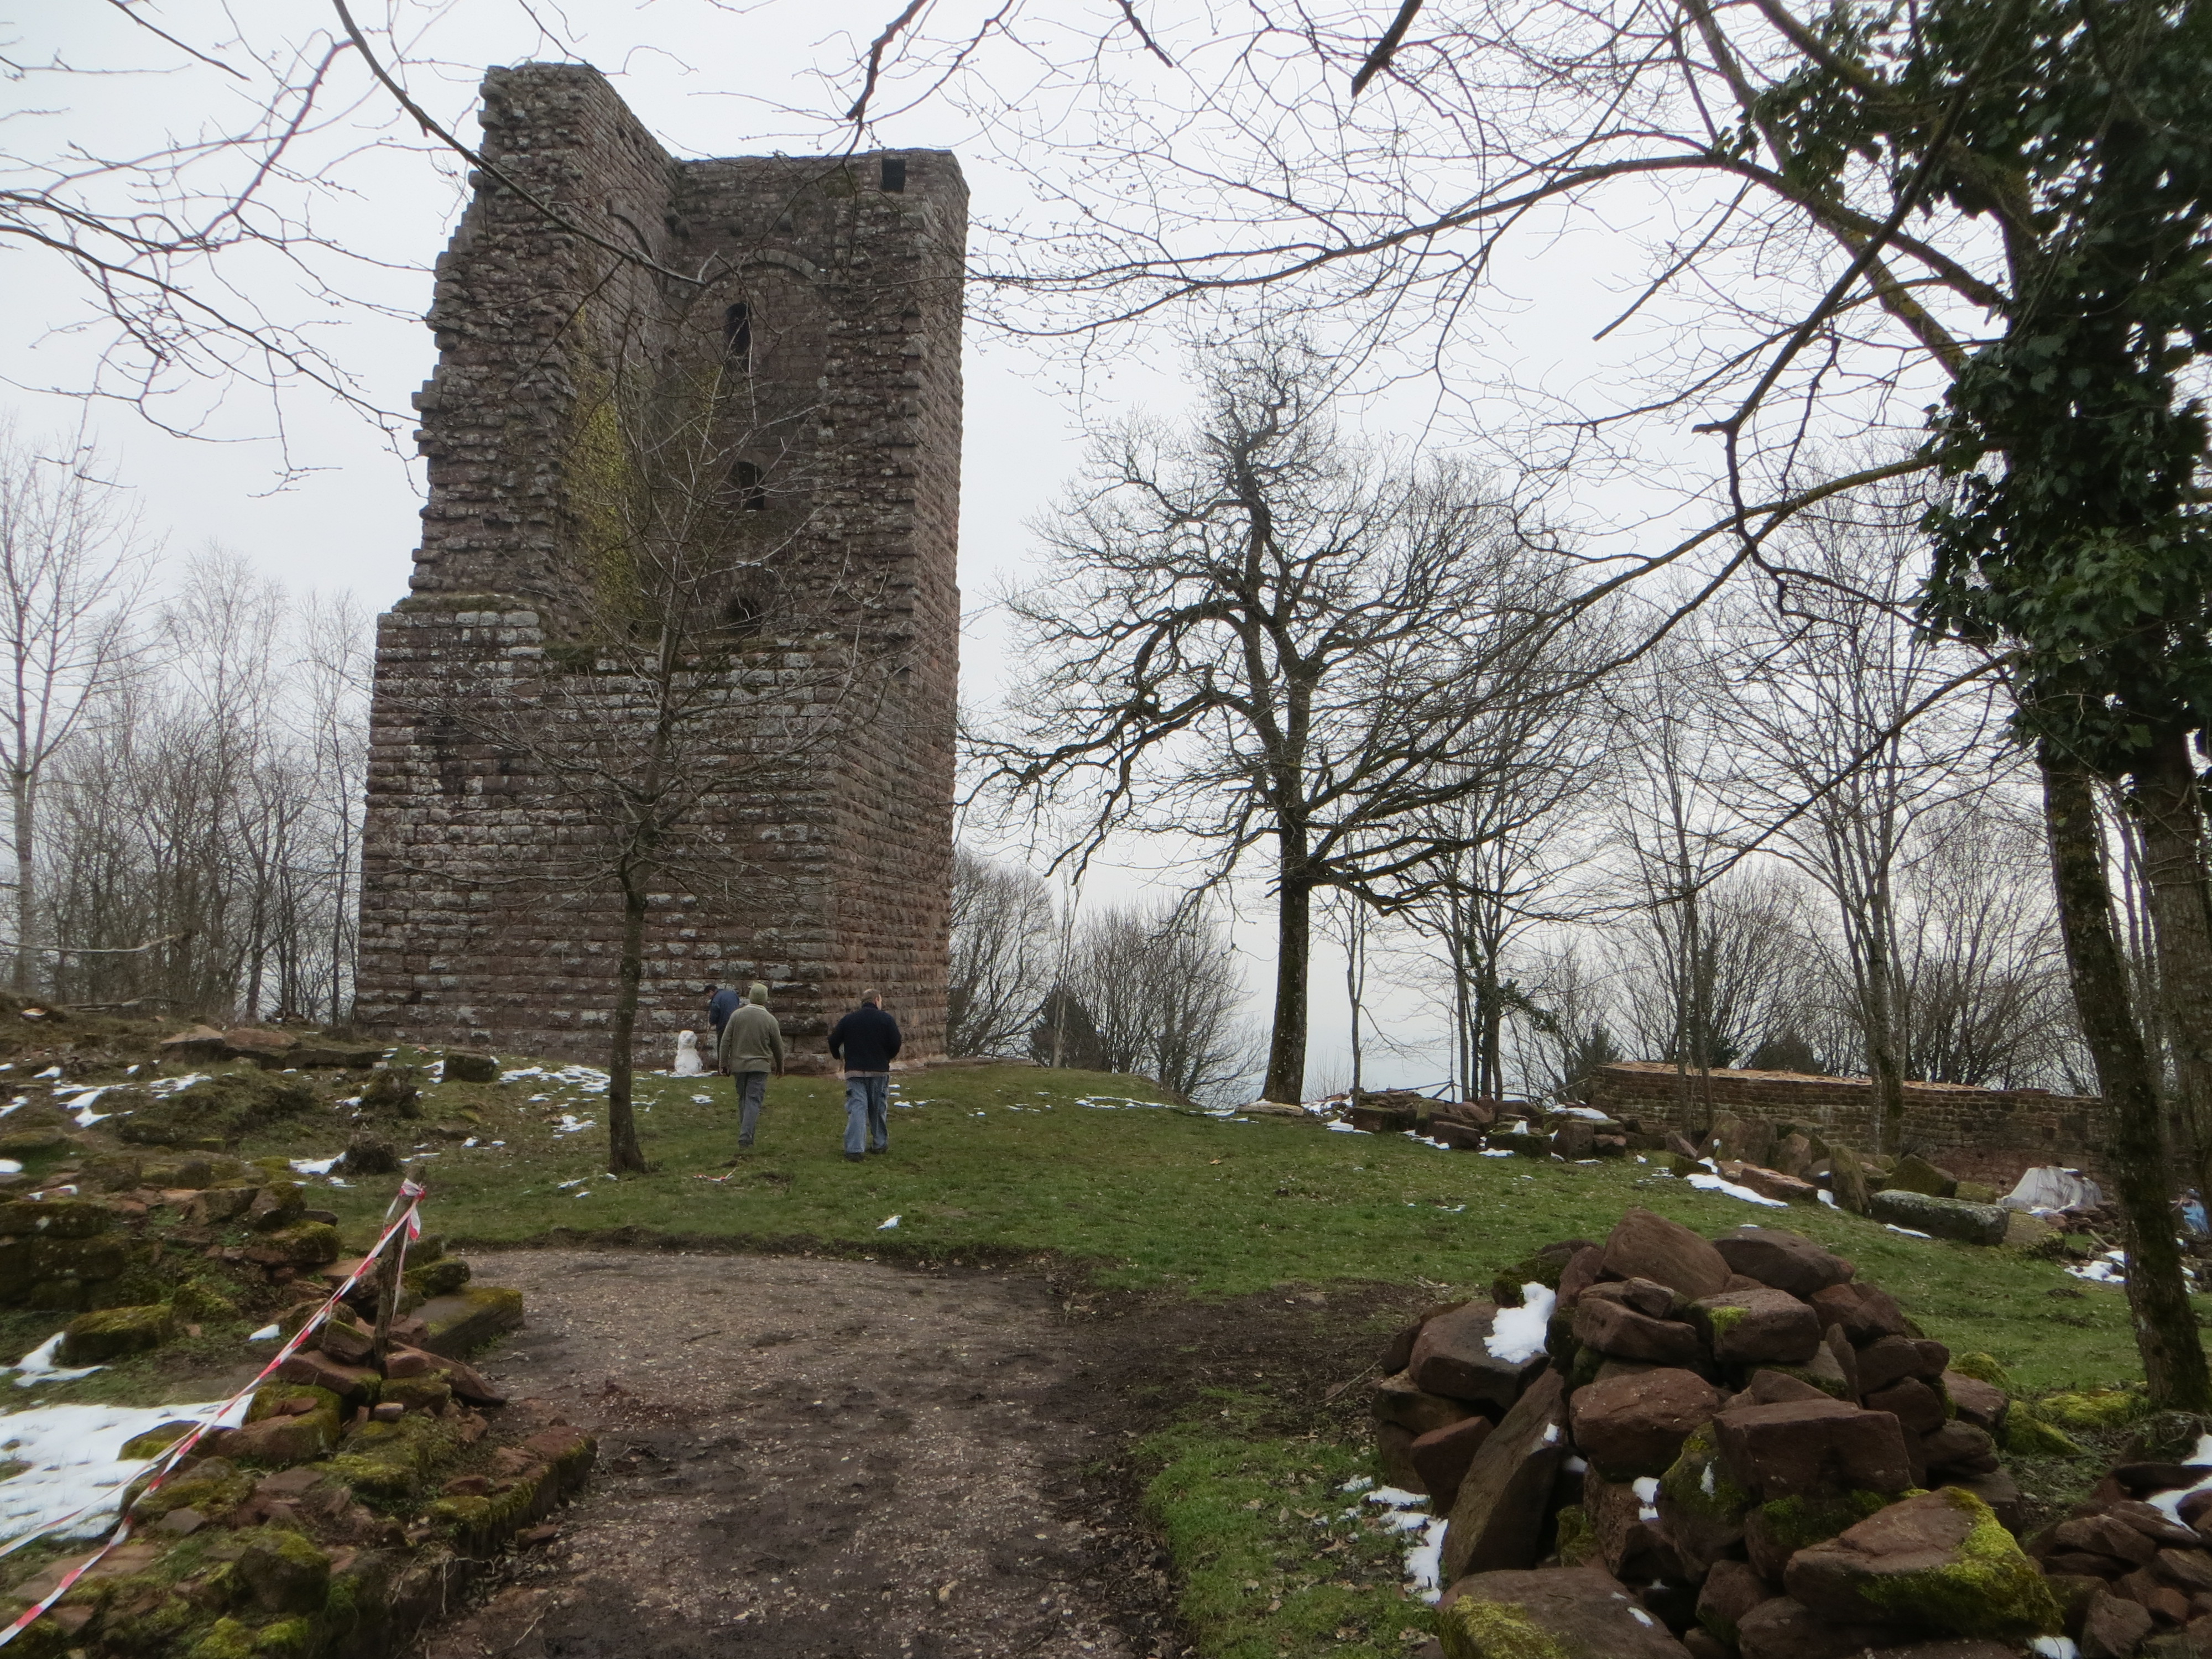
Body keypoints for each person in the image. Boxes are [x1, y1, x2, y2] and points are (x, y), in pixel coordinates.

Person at [827, 989, 901, 1162]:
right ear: (876, 1000)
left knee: (858, 1108)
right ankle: (880, 1144)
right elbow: (896, 1043)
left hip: (855, 1071)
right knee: (878, 1108)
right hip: (878, 1070)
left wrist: (839, 1055)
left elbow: (833, 1040)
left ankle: (854, 1149)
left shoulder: (849, 1019)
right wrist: (886, 1057)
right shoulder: (886, 1019)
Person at [716, 982, 784, 1153]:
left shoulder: (737, 1016)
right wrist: (780, 1066)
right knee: (753, 1100)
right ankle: (746, 1137)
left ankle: (746, 1134)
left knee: (743, 1099)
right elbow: (778, 1046)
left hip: (738, 1066)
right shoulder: (770, 1020)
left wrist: (723, 1063)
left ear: (750, 996)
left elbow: (726, 1041)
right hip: (760, 1066)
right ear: (765, 999)